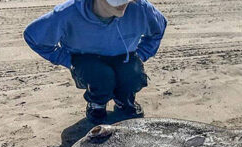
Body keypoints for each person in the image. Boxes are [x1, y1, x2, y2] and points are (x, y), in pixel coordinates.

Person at [24, 0, 167, 124]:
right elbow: (33, 37)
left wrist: (141, 55)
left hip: (124, 57)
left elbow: (159, 28)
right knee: (100, 76)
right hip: (86, 60)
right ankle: (97, 104)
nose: (123, 3)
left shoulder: (140, 7)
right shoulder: (67, 13)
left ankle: (124, 100)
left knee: (132, 73)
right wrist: (68, 60)